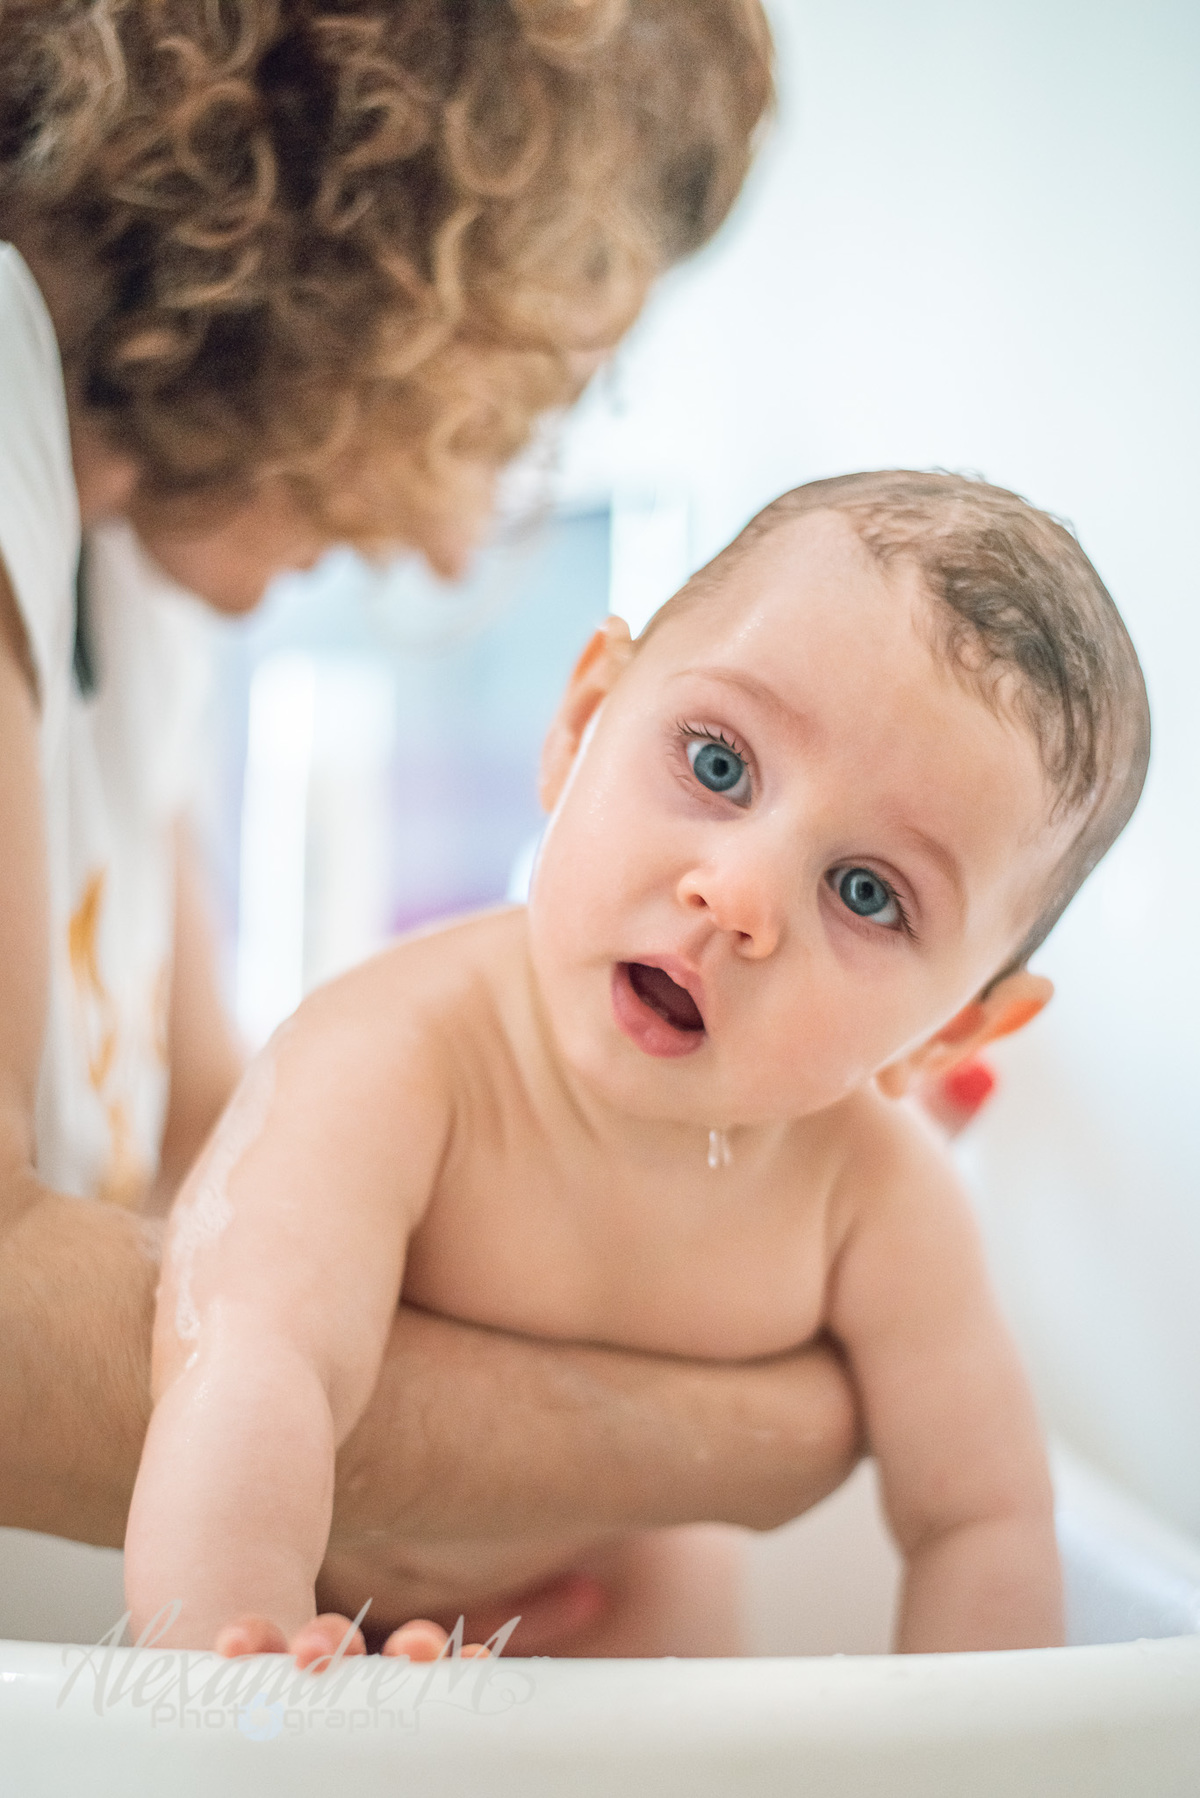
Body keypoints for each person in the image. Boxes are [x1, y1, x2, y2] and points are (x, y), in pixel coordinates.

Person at [0, 0, 864, 1655]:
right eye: (506, 402)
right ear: (349, 242)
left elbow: (207, 1146)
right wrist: (747, 1430)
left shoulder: (135, 595)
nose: (466, 534)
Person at [124, 470, 1151, 1662]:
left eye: (866, 893)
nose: (741, 894)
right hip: (320, 1619)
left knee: (682, 1580)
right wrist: (237, 1659)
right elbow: (256, 1353)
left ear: (952, 1036)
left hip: (611, 1652)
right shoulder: (399, 1053)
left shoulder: (872, 1199)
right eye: (719, 764)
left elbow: (983, 1515)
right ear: (581, 723)